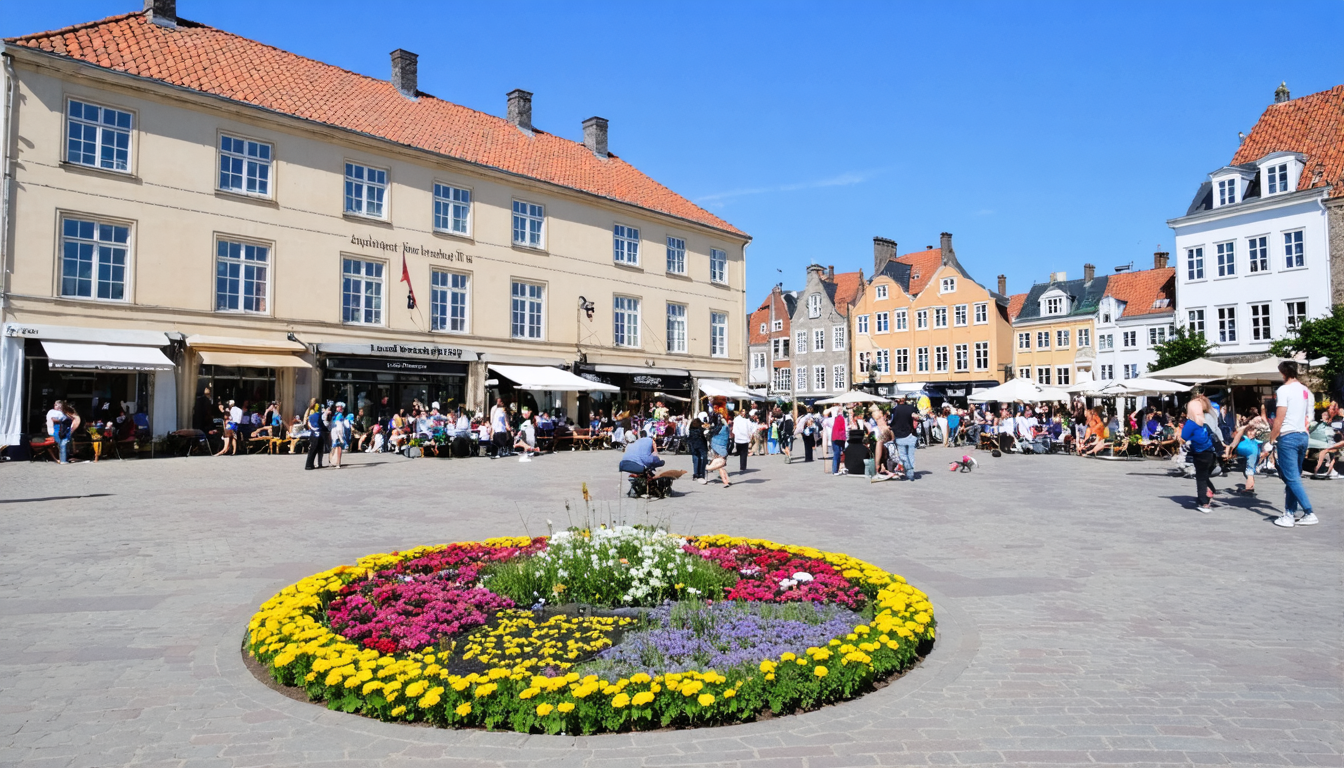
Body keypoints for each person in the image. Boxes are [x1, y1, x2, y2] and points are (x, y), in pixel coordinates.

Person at [1268, 361, 1316, 527]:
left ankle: (1309, 511)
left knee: (1292, 478)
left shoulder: (1283, 390)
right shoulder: (1304, 389)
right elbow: (1308, 415)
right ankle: (1289, 513)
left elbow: (1280, 418)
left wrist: (1271, 439)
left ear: (1283, 373)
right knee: (1292, 477)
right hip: (1302, 435)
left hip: (1288, 436)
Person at [1180, 394, 1218, 514]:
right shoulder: (1209, 418)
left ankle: (1204, 502)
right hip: (1211, 453)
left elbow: (1184, 437)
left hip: (1199, 453)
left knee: (1200, 477)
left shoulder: (1191, 422)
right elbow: (1215, 434)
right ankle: (1210, 490)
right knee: (1204, 473)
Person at [1225, 408, 1270, 494]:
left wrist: (1231, 448)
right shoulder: (1262, 433)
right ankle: (1250, 487)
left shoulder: (1246, 431)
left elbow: (1235, 436)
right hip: (1255, 450)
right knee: (1250, 470)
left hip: (1248, 449)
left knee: (1249, 471)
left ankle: (1249, 488)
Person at [891, 395, 919, 480]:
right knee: (910, 454)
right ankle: (910, 473)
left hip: (898, 433)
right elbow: (916, 416)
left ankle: (906, 471)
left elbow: (892, 421)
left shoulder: (894, 409)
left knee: (903, 454)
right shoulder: (910, 408)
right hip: (909, 432)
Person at [706, 413, 732, 487]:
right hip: (724, 449)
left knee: (719, 465)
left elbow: (711, 435)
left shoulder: (717, 429)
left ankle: (726, 481)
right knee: (721, 465)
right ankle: (726, 480)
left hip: (717, 448)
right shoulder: (726, 428)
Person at [45, 399, 72, 464]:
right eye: (55, 404)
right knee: (61, 443)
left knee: (65, 443)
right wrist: (62, 420)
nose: (55, 406)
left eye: (56, 405)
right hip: (55, 429)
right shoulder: (52, 412)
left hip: (62, 429)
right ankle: (62, 459)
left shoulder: (63, 412)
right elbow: (53, 419)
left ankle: (64, 458)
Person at [304, 403, 329, 470]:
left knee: (312, 450)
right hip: (319, 434)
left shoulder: (311, 416)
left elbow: (307, 424)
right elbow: (321, 424)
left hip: (313, 434)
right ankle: (312, 464)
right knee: (318, 449)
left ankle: (309, 464)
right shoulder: (319, 415)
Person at [687, 415, 708, 482]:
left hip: (693, 445)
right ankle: (701, 473)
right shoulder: (700, 430)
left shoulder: (690, 429)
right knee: (703, 458)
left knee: (695, 459)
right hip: (701, 445)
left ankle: (696, 474)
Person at [829, 407, 848, 476]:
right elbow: (842, 429)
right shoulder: (841, 418)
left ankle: (836, 470)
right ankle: (835, 470)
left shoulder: (835, 419)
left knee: (837, 454)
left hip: (835, 438)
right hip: (839, 438)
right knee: (837, 454)